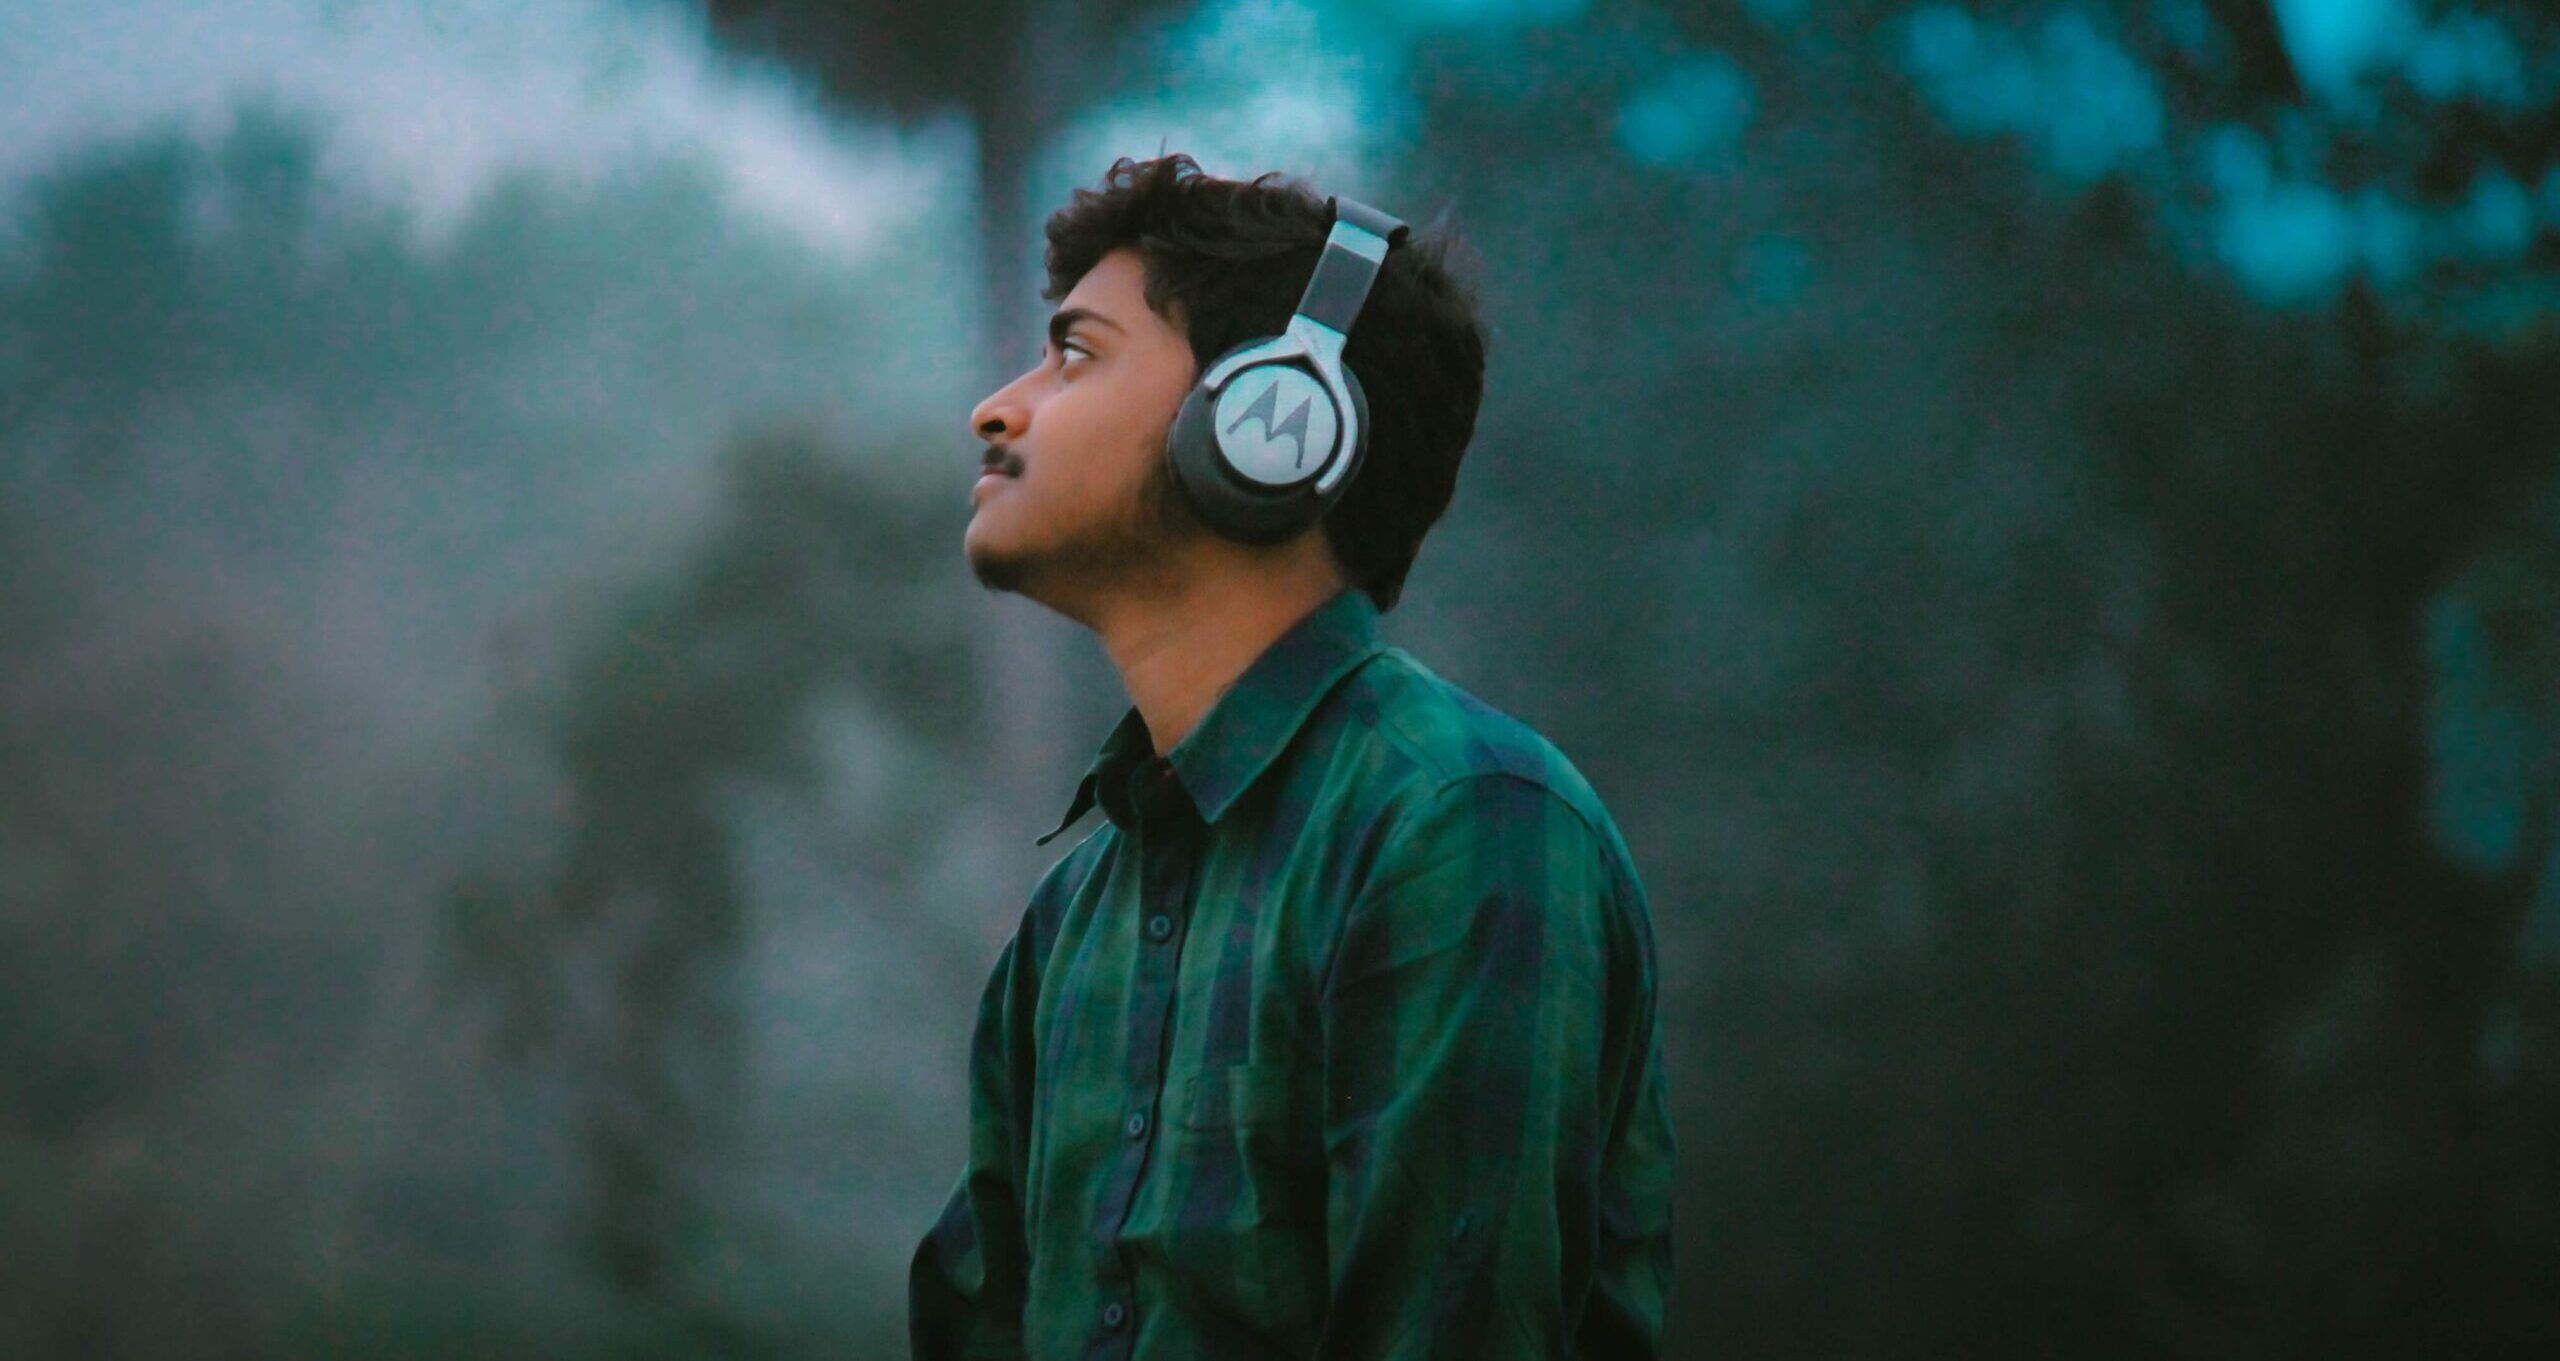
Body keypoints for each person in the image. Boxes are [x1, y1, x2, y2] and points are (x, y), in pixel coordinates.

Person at [909, 152, 1674, 1360]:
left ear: (1273, 419)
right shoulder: (1071, 921)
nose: (997, 409)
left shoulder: (1458, 821)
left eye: (1077, 354)